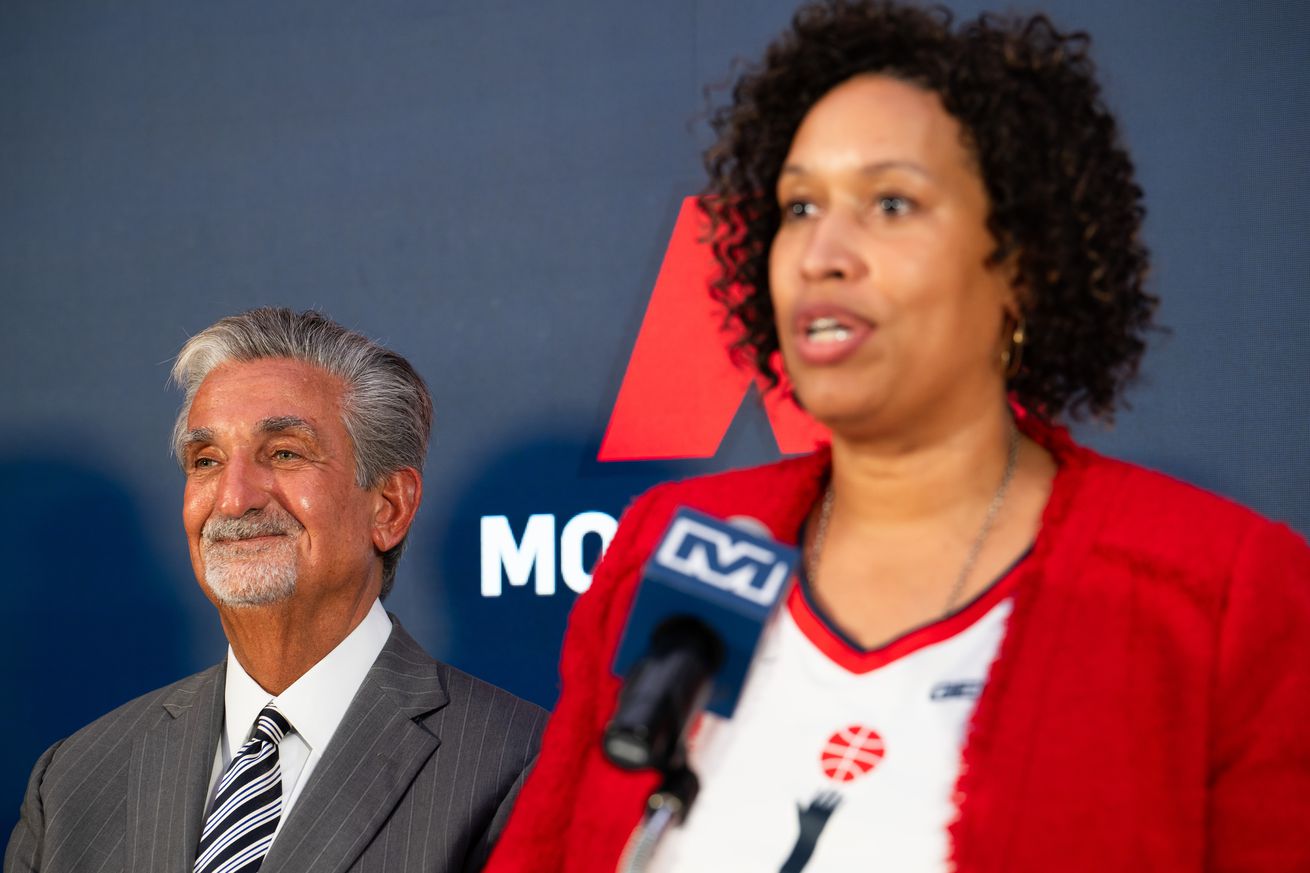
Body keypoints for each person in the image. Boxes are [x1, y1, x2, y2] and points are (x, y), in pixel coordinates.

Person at [484, 2, 1310, 871]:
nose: (822, 252)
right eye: (798, 206)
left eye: (891, 202)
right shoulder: (669, 540)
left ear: (1023, 265)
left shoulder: (1225, 595)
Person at [5, 308, 546, 873]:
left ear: (389, 507)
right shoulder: (73, 780)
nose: (234, 498)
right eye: (206, 461)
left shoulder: (521, 764)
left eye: (284, 453)